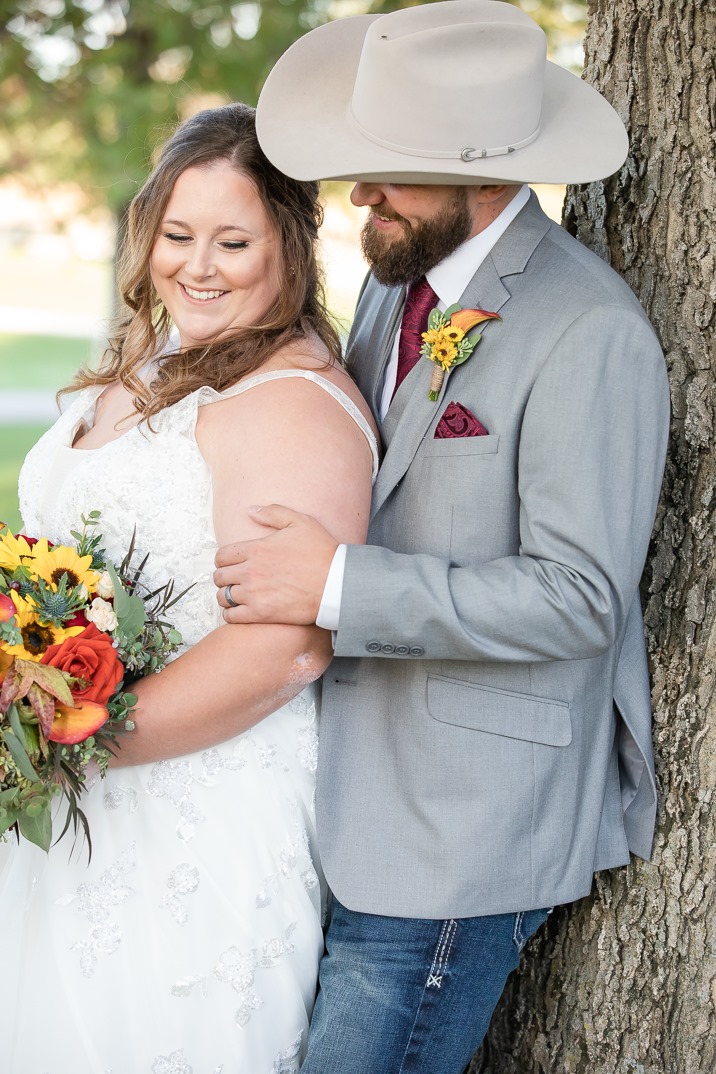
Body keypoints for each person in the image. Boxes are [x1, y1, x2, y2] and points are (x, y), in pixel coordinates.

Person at [212, 3, 671, 1071]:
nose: (360, 192)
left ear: (492, 173)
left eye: (391, 169)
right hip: (346, 799)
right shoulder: (397, 285)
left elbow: (577, 596)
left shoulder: (586, 328)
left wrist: (335, 586)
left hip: (464, 830)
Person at [1, 102, 377, 1072]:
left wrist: (67, 742)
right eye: (176, 235)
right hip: (71, 807)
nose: (196, 266)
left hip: (191, 821)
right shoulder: (161, 360)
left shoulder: (289, 402)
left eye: (232, 241)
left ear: (288, 246)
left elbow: (286, 646)